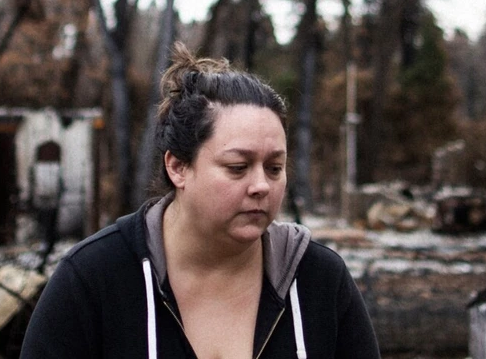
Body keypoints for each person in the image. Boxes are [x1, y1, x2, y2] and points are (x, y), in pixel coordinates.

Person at [21, 44, 379, 358]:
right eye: (238, 167)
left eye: (274, 168)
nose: (261, 186)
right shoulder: (93, 280)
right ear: (178, 167)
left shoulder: (319, 282)